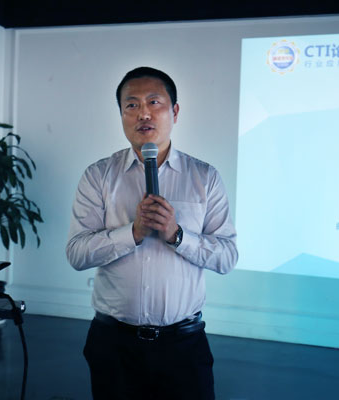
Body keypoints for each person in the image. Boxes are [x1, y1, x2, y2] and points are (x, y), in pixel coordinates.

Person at [66, 66, 238, 400]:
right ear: (121, 115)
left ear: (175, 111)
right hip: (113, 345)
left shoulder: (205, 177)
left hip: (183, 346)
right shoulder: (98, 176)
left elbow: (227, 257)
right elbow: (76, 254)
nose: (143, 113)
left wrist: (177, 235)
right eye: (131, 105)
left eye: (154, 102)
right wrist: (132, 232)